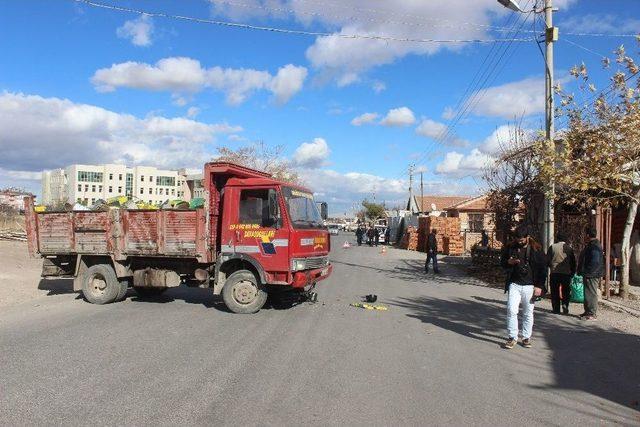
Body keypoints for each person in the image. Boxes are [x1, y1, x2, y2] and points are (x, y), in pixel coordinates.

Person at [500, 226, 547, 349]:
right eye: (517, 240)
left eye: (521, 240)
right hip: (514, 284)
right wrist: (508, 263)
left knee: (528, 312)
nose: (519, 242)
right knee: (511, 310)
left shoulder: (536, 249)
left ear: (527, 237)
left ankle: (526, 337)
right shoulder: (510, 247)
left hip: (530, 286)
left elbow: (543, 269)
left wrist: (539, 286)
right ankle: (512, 337)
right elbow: (502, 263)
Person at [578, 227, 604, 321]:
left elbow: (595, 261)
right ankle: (588, 311)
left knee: (591, 293)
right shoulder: (592, 244)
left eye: (585, 234)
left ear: (588, 235)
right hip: (590, 273)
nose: (584, 236)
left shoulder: (594, 246)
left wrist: (588, 271)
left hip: (592, 274)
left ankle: (592, 313)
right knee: (587, 293)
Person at [547, 232, 576, 315]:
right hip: (566, 273)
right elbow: (573, 262)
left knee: (555, 291)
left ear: (557, 238)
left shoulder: (552, 247)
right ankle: (565, 305)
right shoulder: (569, 249)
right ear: (565, 239)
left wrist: (551, 266)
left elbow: (548, 260)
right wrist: (572, 272)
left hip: (555, 273)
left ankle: (556, 309)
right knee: (566, 291)